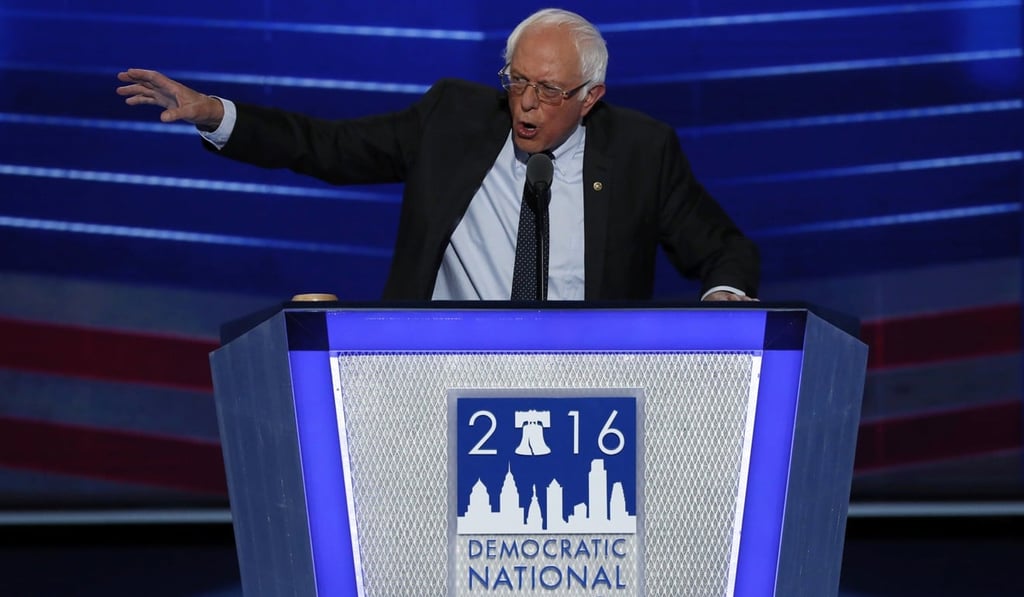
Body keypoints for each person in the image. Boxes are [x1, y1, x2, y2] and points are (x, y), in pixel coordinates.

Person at [117, 8, 759, 302]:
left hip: (590, 386)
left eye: (551, 91)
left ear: (591, 97)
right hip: (444, 371)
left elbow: (725, 248)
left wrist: (726, 292)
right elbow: (329, 147)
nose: (527, 105)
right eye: (517, 81)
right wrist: (216, 113)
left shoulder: (641, 149)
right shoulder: (453, 119)